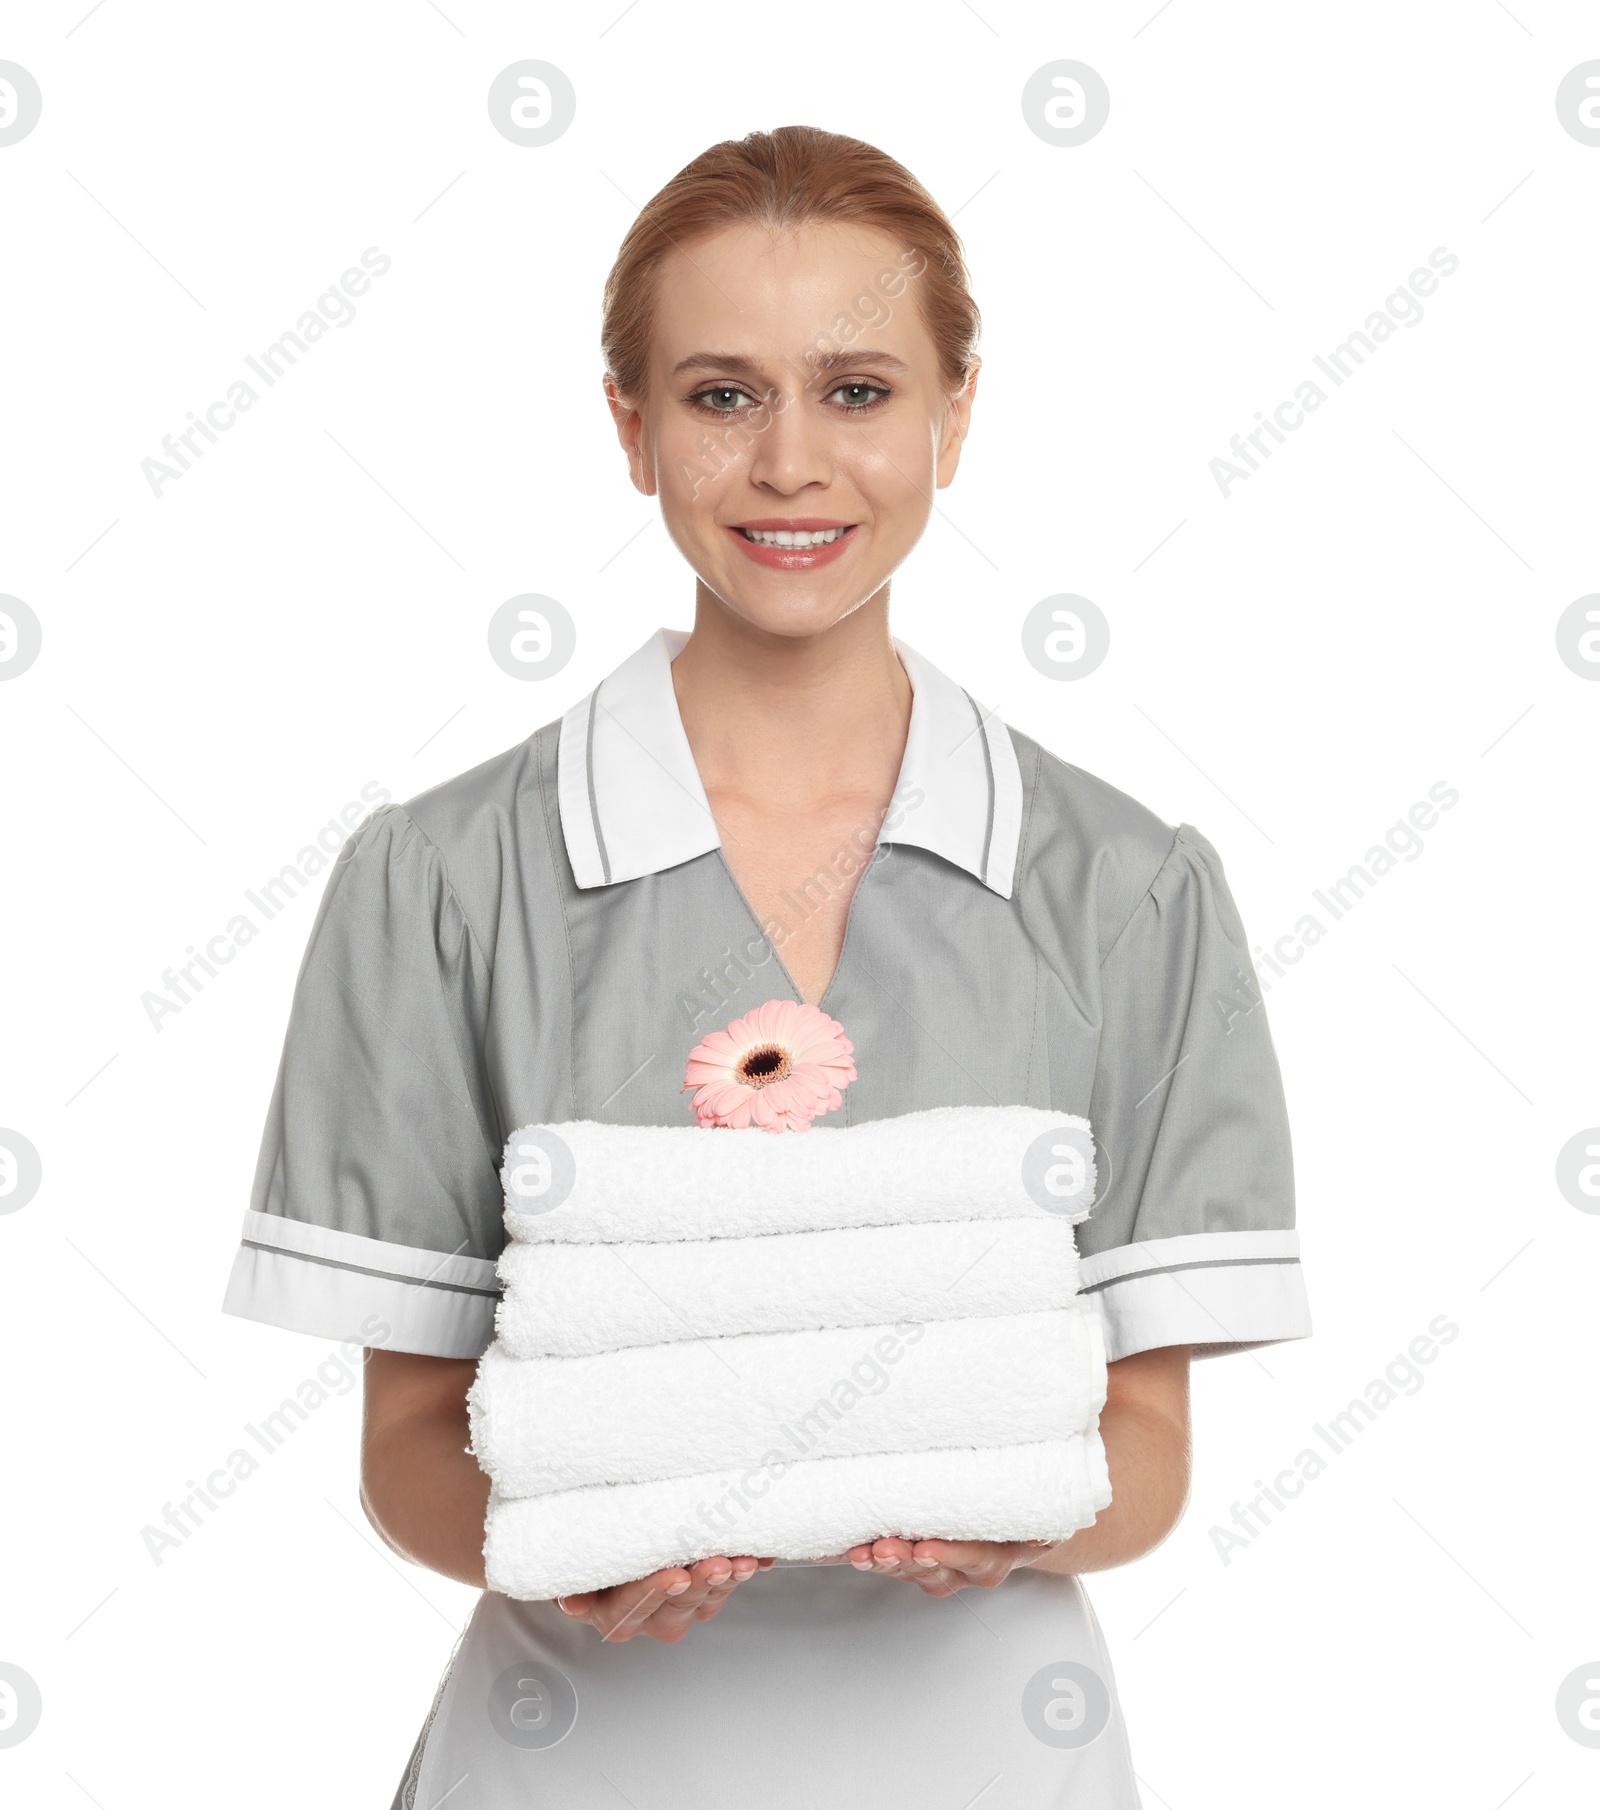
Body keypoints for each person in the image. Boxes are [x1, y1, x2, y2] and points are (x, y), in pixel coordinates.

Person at [224, 124, 1311, 1807]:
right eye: (723, 393)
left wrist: (1010, 1513)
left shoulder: (1125, 890)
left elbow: (1149, 1448)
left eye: (860, 391)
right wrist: (563, 1548)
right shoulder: (440, 878)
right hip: (575, 1756)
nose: (792, 461)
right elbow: (404, 1449)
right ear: (632, 430)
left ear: (958, 413)